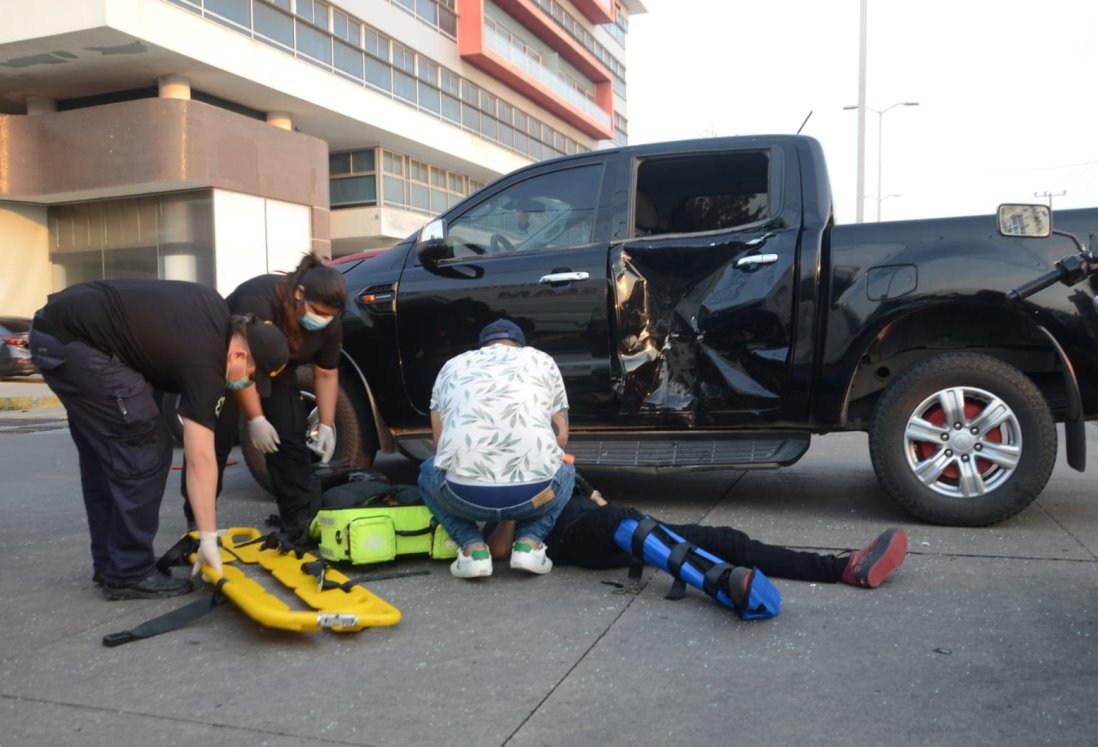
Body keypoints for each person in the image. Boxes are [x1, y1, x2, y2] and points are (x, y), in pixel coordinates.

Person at [29, 279, 289, 600]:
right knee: (146, 446)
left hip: (56, 332)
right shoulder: (205, 363)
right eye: (251, 376)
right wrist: (207, 537)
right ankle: (129, 571)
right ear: (238, 354)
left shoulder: (216, 312)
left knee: (106, 454)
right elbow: (200, 458)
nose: (247, 384)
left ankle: (112, 562)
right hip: (76, 344)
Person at [182, 254, 347, 542]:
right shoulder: (258, 300)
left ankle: (298, 520)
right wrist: (256, 418)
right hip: (228, 367)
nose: (323, 320)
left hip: (279, 375)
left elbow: (326, 373)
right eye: (319, 312)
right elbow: (239, 366)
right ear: (299, 294)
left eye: (331, 316)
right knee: (216, 441)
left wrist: (328, 423)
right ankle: (198, 520)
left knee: (290, 436)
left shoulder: (329, 322)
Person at [486, 477, 907, 590]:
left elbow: (594, 496)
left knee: (724, 540)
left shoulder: (549, 464)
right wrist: (514, 506)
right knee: (638, 527)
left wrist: (583, 489)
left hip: (607, 522)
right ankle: (727, 586)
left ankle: (842, 569)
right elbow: (500, 551)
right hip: (582, 534)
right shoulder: (489, 490)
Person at [418, 318, 574, 578]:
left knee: (426, 473)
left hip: (463, 498)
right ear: (520, 345)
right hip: (534, 497)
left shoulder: (452, 366)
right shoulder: (542, 360)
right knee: (566, 468)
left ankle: (473, 549)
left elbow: (439, 445)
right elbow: (562, 438)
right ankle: (530, 543)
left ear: (483, 347)